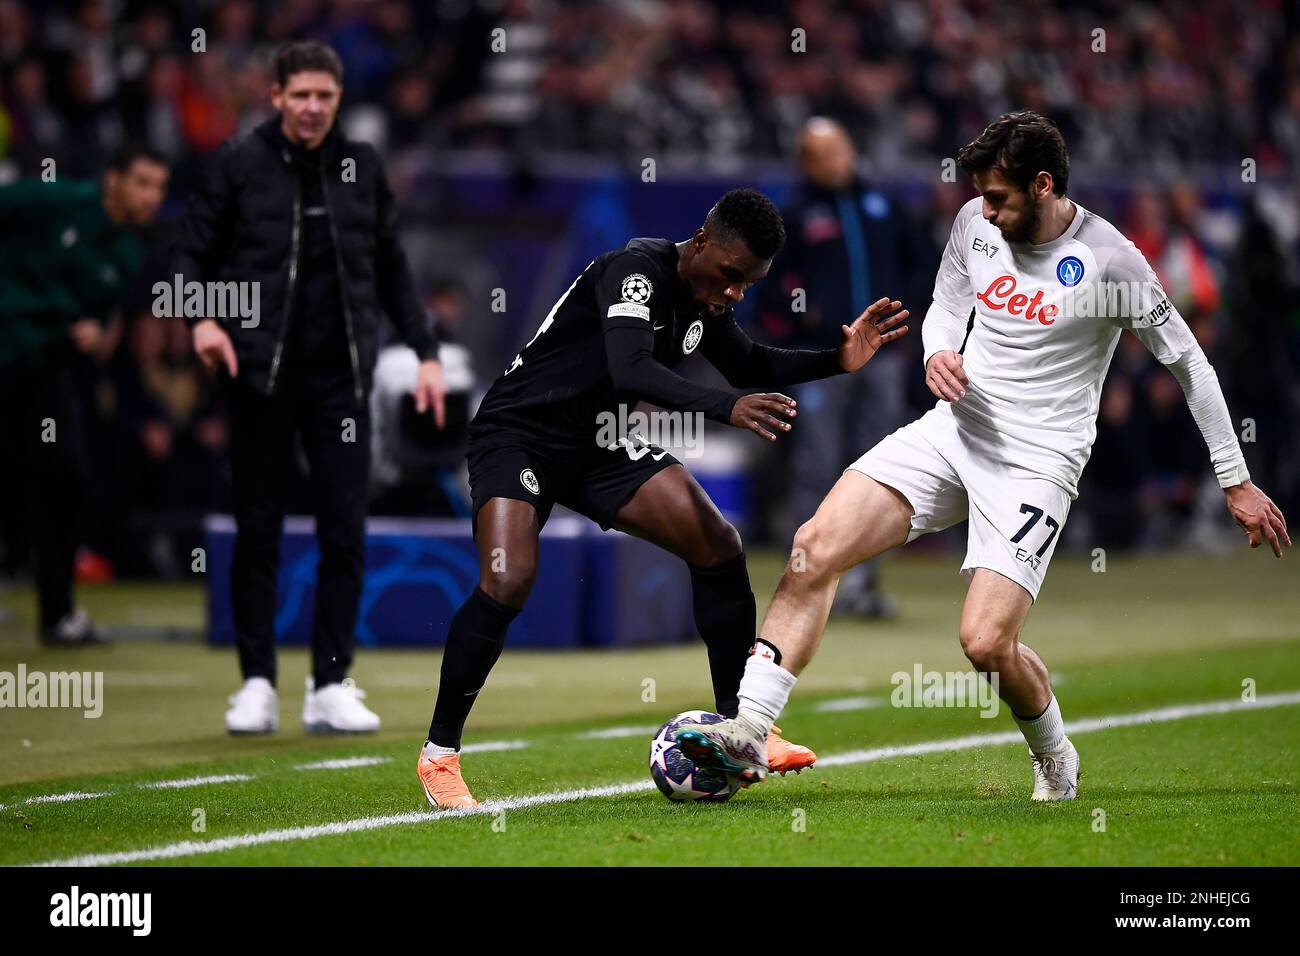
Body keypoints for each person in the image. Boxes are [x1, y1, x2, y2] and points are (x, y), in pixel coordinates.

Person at [674, 111, 1289, 801]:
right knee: (813, 547)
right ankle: (751, 729)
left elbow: (1190, 365)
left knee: (986, 644)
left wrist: (1236, 481)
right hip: (953, 433)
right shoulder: (974, 223)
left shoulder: (1112, 262)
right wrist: (940, 349)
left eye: (999, 197)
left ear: (1044, 184)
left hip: (1037, 464)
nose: (985, 211)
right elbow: (945, 305)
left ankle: (1056, 755)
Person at [417, 188, 909, 808]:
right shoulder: (635, 273)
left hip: (598, 443)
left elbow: (748, 362)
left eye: (748, 284)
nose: (734, 292)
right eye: (731, 275)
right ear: (702, 240)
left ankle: (743, 730)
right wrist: (724, 408)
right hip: (521, 434)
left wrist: (838, 359)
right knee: (509, 580)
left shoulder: (706, 297)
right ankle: (440, 755)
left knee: (717, 543)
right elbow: (632, 370)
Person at [171, 41, 447, 735]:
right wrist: (203, 319)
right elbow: (188, 254)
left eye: (325, 95)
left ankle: (330, 682)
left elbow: (391, 267)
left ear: (339, 99)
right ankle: (256, 682)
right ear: (276, 96)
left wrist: (426, 353)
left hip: (341, 382)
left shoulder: (362, 167)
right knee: (257, 529)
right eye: (300, 95)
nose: (313, 107)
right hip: (258, 376)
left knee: (344, 532)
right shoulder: (239, 162)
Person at [0, 144, 169, 645]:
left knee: (67, 479)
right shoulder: (55, 200)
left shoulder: (128, 254)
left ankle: (58, 613)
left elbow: (99, 320)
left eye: (159, 187)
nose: (151, 196)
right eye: (141, 182)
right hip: (4, 351)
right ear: (112, 180)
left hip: (47, 371)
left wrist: (96, 333)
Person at [764, 117, 926, 617]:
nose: (832, 161)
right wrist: (807, 315)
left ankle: (863, 588)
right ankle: (809, 581)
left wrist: (901, 308)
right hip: (823, 362)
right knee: (817, 465)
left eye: (838, 150)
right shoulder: (794, 217)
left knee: (881, 471)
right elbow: (770, 282)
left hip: (882, 360)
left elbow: (924, 264)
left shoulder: (884, 208)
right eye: (819, 154)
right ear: (805, 162)